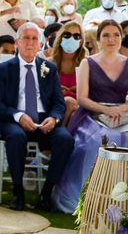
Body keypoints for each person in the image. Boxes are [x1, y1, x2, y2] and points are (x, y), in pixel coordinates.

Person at [0, 22, 74, 211]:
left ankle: (46, 193)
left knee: (65, 139)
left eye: (34, 38)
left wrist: (54, 118)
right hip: (15, 120)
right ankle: (18, 192)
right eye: (26, 38)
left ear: (40, 43)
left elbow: (59, 103)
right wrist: (18, 116)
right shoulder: (4, 69)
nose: (30, 42)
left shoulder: (49, 68)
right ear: (18, 42)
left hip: (44, 120)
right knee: (16, 137)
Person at [52, 20, 128, 213]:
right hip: (92, 113)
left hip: (123, 114)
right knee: (99, 141)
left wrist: (120, 109)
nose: (111, 39)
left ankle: (121, 201)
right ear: (99, 39)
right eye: (106, 35)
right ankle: (90, 199)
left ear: (122, 38)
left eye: (116, 35)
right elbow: (82, 98)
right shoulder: (88, 62)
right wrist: (105, 109)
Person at [50, 21, 86, 125]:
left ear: (81, 41)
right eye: (67, 35)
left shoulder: (86, 63)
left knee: (71, 104)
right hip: (55, 105)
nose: (71, 39)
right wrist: (56, 89)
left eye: (76, 36)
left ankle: (61, 134)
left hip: (80, 106)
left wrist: (80, 89)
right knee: (69, 102)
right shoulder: (49, 63)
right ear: (60, 38)